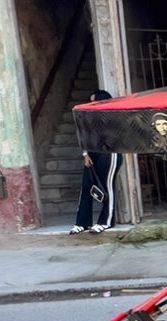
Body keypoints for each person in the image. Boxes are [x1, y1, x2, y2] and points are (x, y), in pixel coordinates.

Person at [70, 90, 120, 235]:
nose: (91, 103)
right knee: (86, 186)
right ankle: (82, 223)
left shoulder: (112, 116)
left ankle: (106, 221)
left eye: (94, 101)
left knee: (107, 187)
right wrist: (85, 154)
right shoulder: (88, 116)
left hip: (110, 154)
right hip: (92, 154)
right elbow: (84, 136)